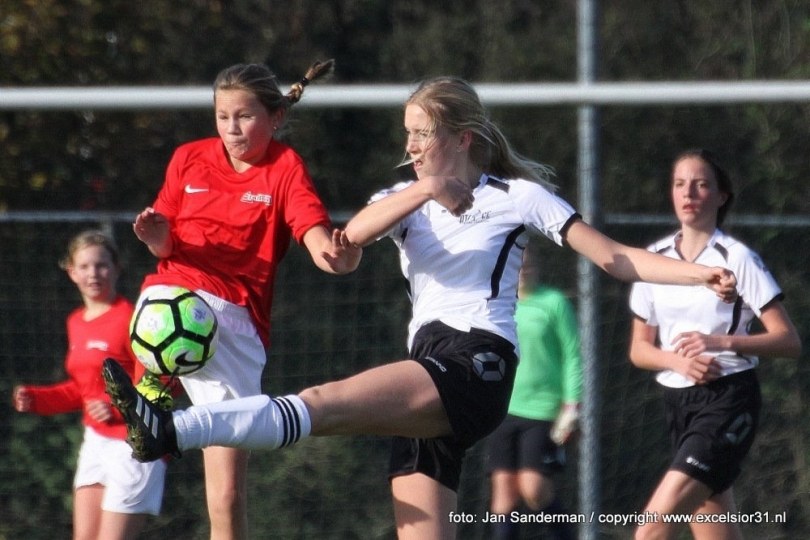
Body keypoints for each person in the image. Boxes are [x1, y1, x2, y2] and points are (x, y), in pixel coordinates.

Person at [103, 77, 738, 540]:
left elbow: (616, 259)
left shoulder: (518, 195)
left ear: (461, 137)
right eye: (405, 133)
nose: (409, 144)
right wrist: (422, 191)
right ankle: (165, 426)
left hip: (477, 364)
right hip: (427, 368)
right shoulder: (403, 198)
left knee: (322, 404)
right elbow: (344, 251)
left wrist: (697, 273)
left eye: (421, 133)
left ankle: (167, 429)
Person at [128, 59, 361, 540]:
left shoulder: (284, 167)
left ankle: (157, 402)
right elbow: (167, 246)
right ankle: (154, 387)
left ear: (274, 117)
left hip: (238, 320)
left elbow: (312, 232)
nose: (232, 129)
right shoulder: (188, 158)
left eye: (245, 117)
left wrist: (333, 255)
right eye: (222, 117)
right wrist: (156, 237)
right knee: (163, 300)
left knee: (227, 498)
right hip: (180, 290)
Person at [627, 149, 801, 540]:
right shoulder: (654, 261)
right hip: (679, 405)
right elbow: (639, 350)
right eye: (679, 184)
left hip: (728, 400)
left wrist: (719, 341)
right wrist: (676, 361)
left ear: (721, 196)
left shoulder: (738, 259)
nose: (688, 192)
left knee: (652, 530)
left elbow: (788, 341)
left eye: (701, 184)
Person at [12, 229, 167, 540]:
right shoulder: (75, 322)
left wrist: (115, 406)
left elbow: (162, 381)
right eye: (84, 266)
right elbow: (83, 391)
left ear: (116, 269)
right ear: (71, 272)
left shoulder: (133, 319)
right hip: (96, 442)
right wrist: (38, 399)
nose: (93, 273)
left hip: (135, 442)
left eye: (101, 265)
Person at [485, 240, 582, 540]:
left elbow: (573, 355)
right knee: (503, 494)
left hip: (543, 411)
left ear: (536, 265)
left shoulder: (553, 303)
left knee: (534, 489)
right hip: (502, 410)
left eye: (527, 263)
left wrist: (572, 404)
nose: (523, 269)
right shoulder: (496, 302)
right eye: (517, 264)